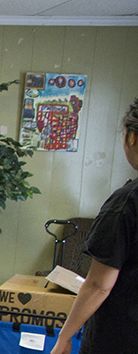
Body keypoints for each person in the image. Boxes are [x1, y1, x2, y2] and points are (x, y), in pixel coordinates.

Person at [50, 99, 138, 354]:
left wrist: (64, 338)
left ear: (131, 138)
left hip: (121, 339)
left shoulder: (127, 203)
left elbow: (100, 284)